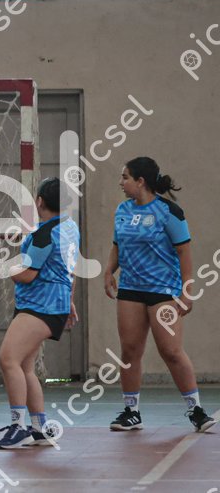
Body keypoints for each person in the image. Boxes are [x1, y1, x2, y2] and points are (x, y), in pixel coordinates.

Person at [104, 157, 215, 433]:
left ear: (141, 181)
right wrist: (109, 271)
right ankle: (131, 412)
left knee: (171, 351)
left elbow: (184, 253)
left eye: (125, 177)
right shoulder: (122, 210)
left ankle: (196, 410)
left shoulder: (169, 212)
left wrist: (186, 292)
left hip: (163, 292)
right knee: (130, 351)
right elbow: (117, 245)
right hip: (130, 290)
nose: (121, 182)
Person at [0, 177, 79, 449]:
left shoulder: (43, 235)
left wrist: (8, 269)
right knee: (24, 366)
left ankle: (18, 426)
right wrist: (69, 300)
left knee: (8, 358)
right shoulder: (70, 227)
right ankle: (39, 428)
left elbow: (28, 275)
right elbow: (70, 269)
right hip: (53, 304)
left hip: (40, 306)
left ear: (40, 201)